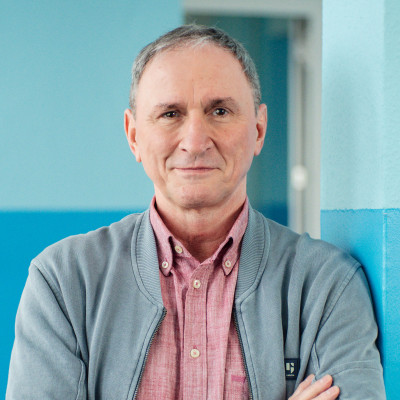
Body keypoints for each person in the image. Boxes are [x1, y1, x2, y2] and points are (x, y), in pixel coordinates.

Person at [7, 25, 385, 400]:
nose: (195, 141)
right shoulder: (63, 283)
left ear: (258, 129)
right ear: (134, 135)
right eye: (170, 113)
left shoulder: (327, 286)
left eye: (219, 111)